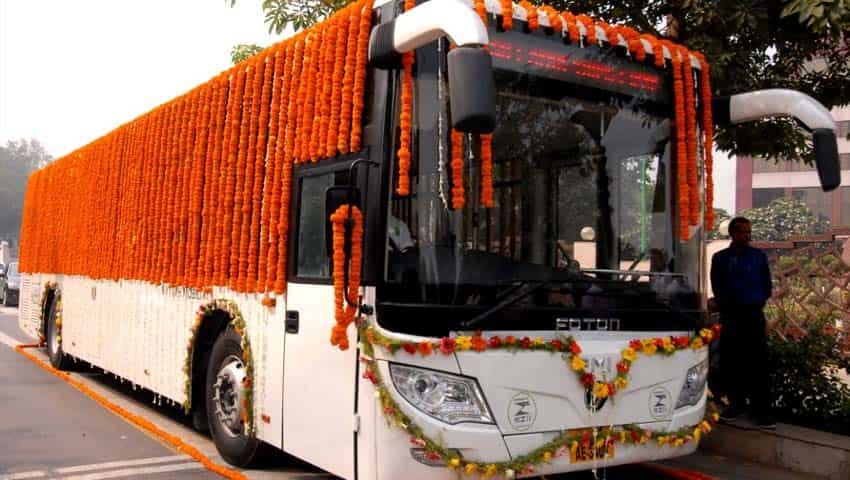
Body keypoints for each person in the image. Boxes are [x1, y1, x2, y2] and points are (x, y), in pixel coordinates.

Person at [709, 216, 775, 429]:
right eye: (742, 232)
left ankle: (761, 411)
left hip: (754, 316)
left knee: (758, 364)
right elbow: (718, 287)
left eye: (748, 232)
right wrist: (731, 304)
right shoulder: (720, 258)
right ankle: (736, 404)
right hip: (731, 317)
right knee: (732, 362)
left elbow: (767, 286)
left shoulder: (758, 257)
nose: (746, 236)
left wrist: (755, 301)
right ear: (732, 233)